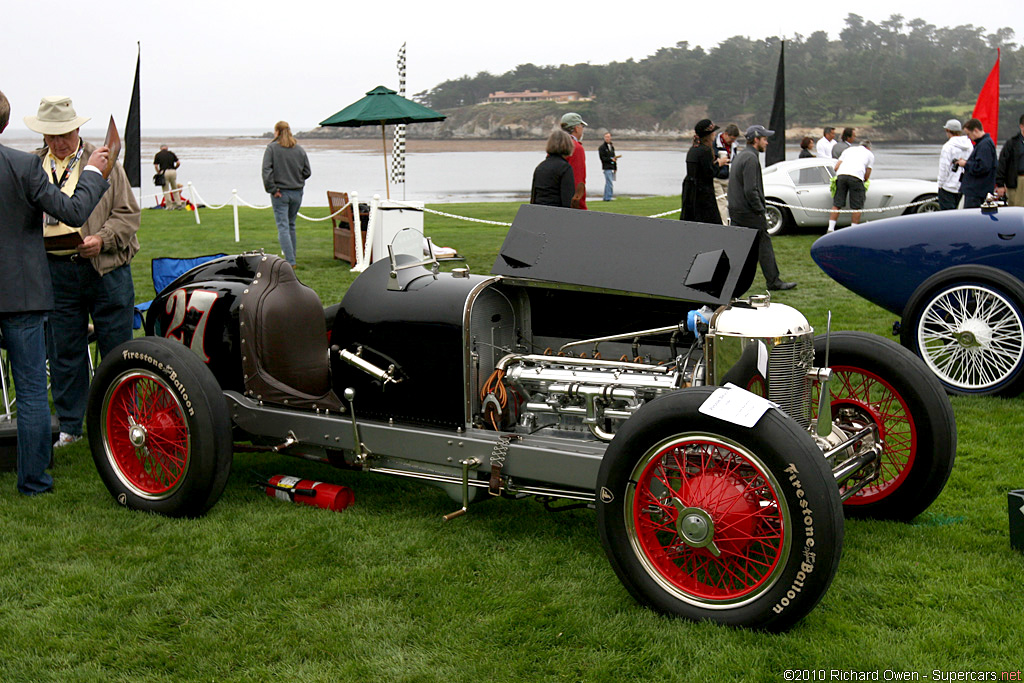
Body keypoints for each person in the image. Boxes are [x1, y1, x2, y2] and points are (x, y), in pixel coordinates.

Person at [1, 90, 110, 492]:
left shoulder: (25, 165)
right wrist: (96, 172)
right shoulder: (23, 166)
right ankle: (32, 481)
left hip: (31, 290)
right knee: (31, 390)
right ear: (7, 123)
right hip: (22, 294)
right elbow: (73, 212)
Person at [24, 95, 141, 450]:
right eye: (51, 135)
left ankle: (125, 422)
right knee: (64, 352)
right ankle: (71, 426)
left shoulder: (104, 162)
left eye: (64, 134)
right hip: (56, 273)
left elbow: (129, 216)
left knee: (118, 350)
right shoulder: (31, 166)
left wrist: (101, 240)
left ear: (77, 128)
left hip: (107, 271)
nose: (58, 142)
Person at [728, 124, 796, 291]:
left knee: (739, 248)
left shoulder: (741, 156)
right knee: (764, 245)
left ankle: (728, 281)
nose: (767, 143)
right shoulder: (751, 158)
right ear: (756, 140)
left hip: (737, 209)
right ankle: (773, 281)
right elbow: (751, 189)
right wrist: (760, 209)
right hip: (748, 211)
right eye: (764, 139)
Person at [262, 121, 310, 265]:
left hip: (280, 193)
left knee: (283, 227)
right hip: (297, 192)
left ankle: (290, 261)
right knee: (291, 225)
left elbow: (266, 171)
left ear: (276, 132)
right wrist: (297, 180)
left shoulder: (271, 149)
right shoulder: (299, 150)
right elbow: (307, 172)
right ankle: (292, 258)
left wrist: (273, 189)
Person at [680, 119, 724, 224]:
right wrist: (719, 164)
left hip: (690, 190)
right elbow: (710, 173)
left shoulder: (693, 149)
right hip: (702, 192)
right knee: (709, 221)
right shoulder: (705, 150)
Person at [827, 140, 874, 232]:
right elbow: (867, 174)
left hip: (841, 175)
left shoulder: (848, 150)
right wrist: (865, 180)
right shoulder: (869, 154)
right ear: (869, 148)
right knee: (856, 206)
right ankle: (854, 230)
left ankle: (830, 228)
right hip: (856, 177)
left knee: (837, 204)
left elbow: (836, 167)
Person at [957, 118, 997, 209]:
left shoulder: (984, 145)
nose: (968, 137)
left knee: (972, 219)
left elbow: (983, 167)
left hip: (977, 192)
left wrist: (966, 164)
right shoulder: (983, 144)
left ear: (975, 130)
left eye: (968, 134)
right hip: (976, 190)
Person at [531, 130, 575, 207]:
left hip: (539, 211)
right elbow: (567, 198)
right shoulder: (565, 168)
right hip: (556, 212)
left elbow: (534, 196)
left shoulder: (540, 167)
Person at [937, 119, 972, 210]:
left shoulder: (948, 147)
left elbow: (944, 168)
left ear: (948, 131)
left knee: (946, 215)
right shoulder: (969, 145)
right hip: (962, 185)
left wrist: (941, 184)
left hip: (948, 187)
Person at [712, 123, 741, 223]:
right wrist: (719, 162)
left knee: (732, 202)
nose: (732, 142)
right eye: (731, 139)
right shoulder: (714, 143)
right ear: (725, 134)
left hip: (728, 177)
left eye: (734, 140)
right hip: (716, 177)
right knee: (722, 203)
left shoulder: (734, 146)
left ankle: (733, 223)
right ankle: (724, 226)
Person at [995, 113, 1024, 207]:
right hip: (1017, 181)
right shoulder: (1012, 144)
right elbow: (1002, 164)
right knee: (1017, 208)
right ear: (1021, 126)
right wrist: (1000, 184)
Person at [560, 113, 588, 210]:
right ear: (576, 128)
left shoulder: (555, 146)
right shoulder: (576, 148)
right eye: (582, 126)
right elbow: (578, 180)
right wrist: (581, 206)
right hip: (572, 205)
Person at [153, 144, 182, 209]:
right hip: (173, 171)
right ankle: (178, 203)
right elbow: (178, 163)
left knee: (166, 190)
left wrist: (158, 172)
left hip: (164, 172)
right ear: (167, 148)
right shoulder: (171, 154)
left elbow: (156, 165)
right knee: (175, 188)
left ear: (161, 148)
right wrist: (175, 168)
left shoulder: (158, 155)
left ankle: (169, 206)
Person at [597, 132, 620, 201]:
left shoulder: (611, 147)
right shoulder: (602, 148)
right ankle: (607, 197)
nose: (608, 138)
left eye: (609, 137)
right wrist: (610, 159)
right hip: (606, 167)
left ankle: (608, 196)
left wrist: (615, 167)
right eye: (606, 137)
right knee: (609, 182)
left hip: (612, 167)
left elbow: (614, 157)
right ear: (604, 138)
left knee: (610, 182)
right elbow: (602, 158)